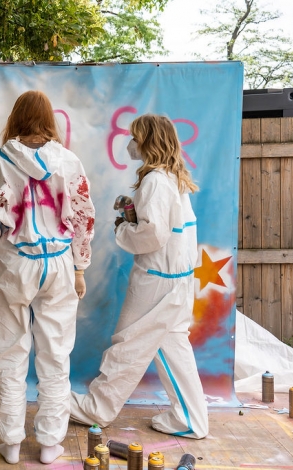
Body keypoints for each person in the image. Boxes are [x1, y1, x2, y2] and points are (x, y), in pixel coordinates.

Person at [0, 90, 96, 465]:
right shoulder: (68, 160)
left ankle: (11, 443)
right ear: (49, 119)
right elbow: (83, 215)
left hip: (15, 263)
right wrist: (79, 266)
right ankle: (51, 443)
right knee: (56, 355)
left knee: (9, 353)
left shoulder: (2, 161)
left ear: (16, 118)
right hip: (58, 263)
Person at [70, 114, 209, 439]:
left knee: (130, 341)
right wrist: (134, 211)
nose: (130, 143)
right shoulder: (172, 177)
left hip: (157, 278)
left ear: (147, 141)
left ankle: (98, 408)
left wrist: (123, 227)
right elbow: (166, 226)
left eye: (134, 138)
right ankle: (191, 417)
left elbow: (153, 234)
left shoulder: (155, 181)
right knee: (172, 344)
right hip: (178, 278)